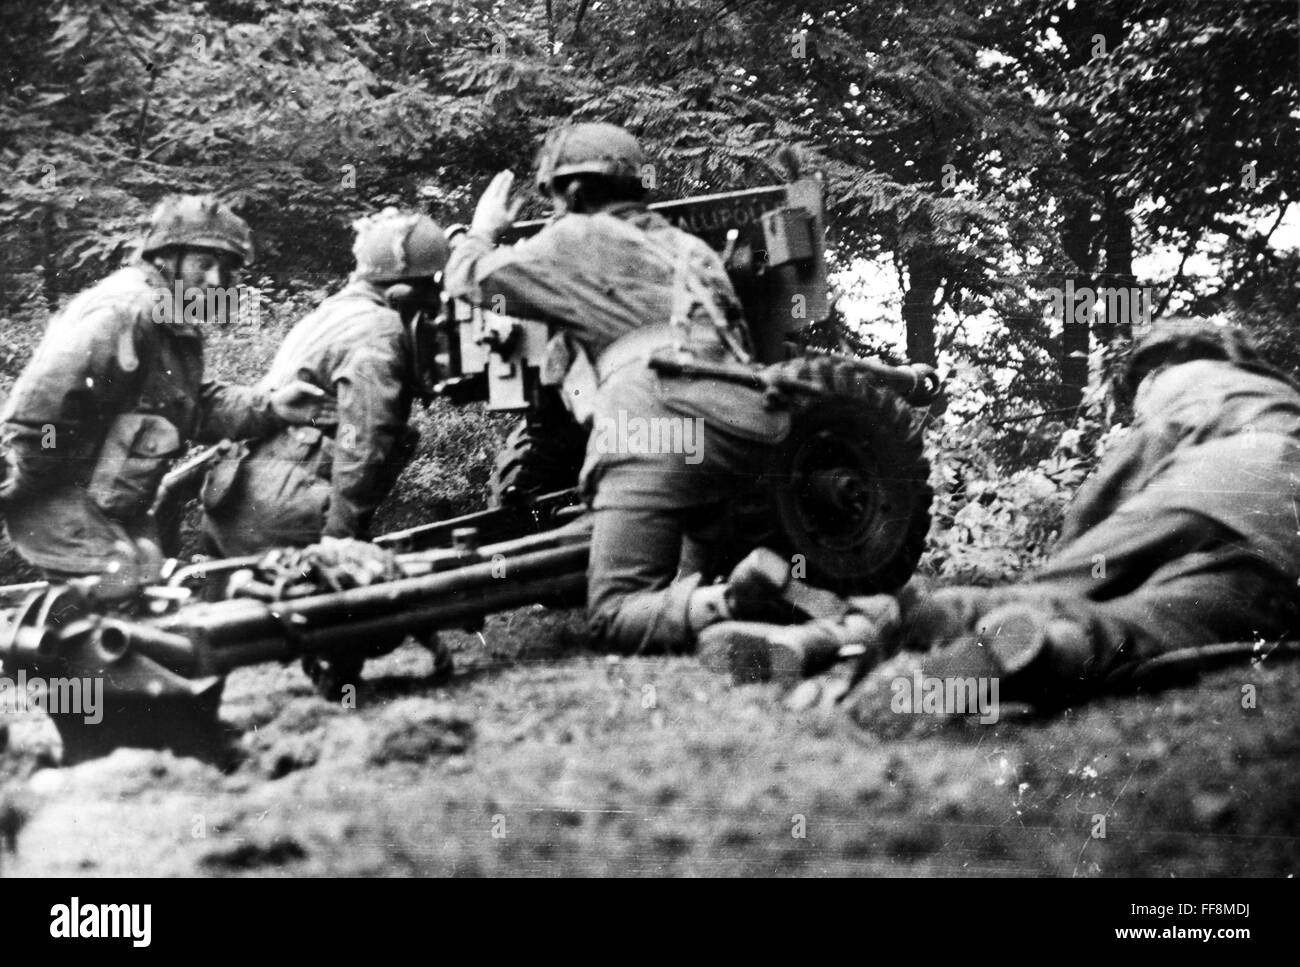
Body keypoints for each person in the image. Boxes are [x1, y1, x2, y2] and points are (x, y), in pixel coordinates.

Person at [701, 319, 1300, 708]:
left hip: (1216, 483)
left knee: (1051, 592)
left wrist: (1068, 567)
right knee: (1162, 629)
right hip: (1283, 554)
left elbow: (1105, 498)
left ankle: (833, 635)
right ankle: (1047, 652)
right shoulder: (1278, 397)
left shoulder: (1187, 379)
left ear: (1157, 369)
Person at [444, 122, 793, 656]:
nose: (556, 208)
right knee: (687, 570)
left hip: (656, 416)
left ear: (575, 192)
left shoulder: (575, 236)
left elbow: (470, 278)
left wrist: (481, 229)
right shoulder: (690, 249)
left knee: (612, 614)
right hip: (748, 424)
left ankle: (732, 604)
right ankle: (788, 610)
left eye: (555, 196)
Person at [0, 194, 329, 582]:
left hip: (113, 507)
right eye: (203, 264)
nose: (214, 281)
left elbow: (192, 404)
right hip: (61, 502)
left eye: (225, 270)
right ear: (165, 258)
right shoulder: (124, 311)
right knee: (120, 612)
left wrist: (273, 408)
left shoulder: (168, 315)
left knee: (153, 593)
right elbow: (42, 410)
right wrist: (35, 480)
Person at [201, 209, 448, 556]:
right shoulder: (379, 330)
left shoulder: (330, 314)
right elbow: (362, 437)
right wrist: (341, 540)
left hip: (235, 502)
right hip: (287, 515)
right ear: (404, 291)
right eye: (431, 291)